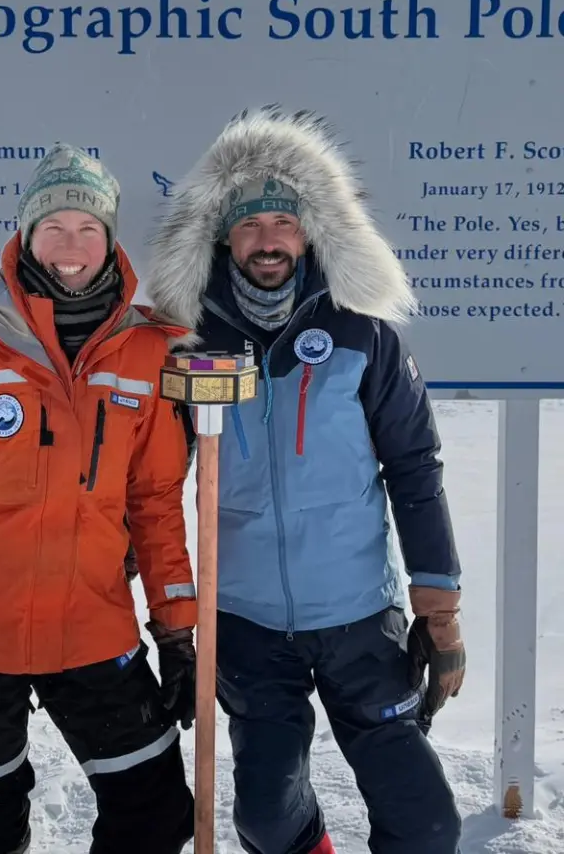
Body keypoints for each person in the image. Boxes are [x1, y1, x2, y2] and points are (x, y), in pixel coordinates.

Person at [146, 106, 466, 854]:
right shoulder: (187, 344)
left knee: (426, 825)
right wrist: (172, 618)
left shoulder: (361, 330)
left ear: (311, 230)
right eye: (250, 224)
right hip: (249, 624)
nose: (268, 240)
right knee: (264, 818)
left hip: (358, 616)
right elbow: (152, 486)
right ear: (222, 235)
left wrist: (440, 610)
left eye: (283, 222)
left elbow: (415, 467)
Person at [0, 144, 197, 854]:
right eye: (54, 228)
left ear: (109, 240)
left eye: (88, 229)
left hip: (94, 631)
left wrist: (176, 627)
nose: (71, 247)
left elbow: (157, 500)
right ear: (26, 234)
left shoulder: (146, 353)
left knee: (157, 813)